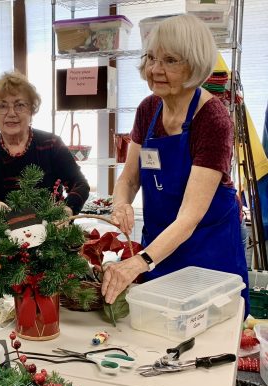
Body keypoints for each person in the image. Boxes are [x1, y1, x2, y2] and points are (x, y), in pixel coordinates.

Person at [101, 15, 249, 314]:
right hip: (159, 246)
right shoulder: (148, 109)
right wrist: (120, 205)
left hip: (207, 250)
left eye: (170, 60)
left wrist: (138, 262)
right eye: (151, 58)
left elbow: (188, 219)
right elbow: (129, 181)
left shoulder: (213, 119)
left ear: (194, 65)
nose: (155, 69)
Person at [0, 71, 90, 216]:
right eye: (2, 106)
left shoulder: (51, 145)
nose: (11, 113)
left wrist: (67, 208)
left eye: (19, 105)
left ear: (31, 110)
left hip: (51, 229)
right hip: (2, 231)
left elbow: (80, 184)